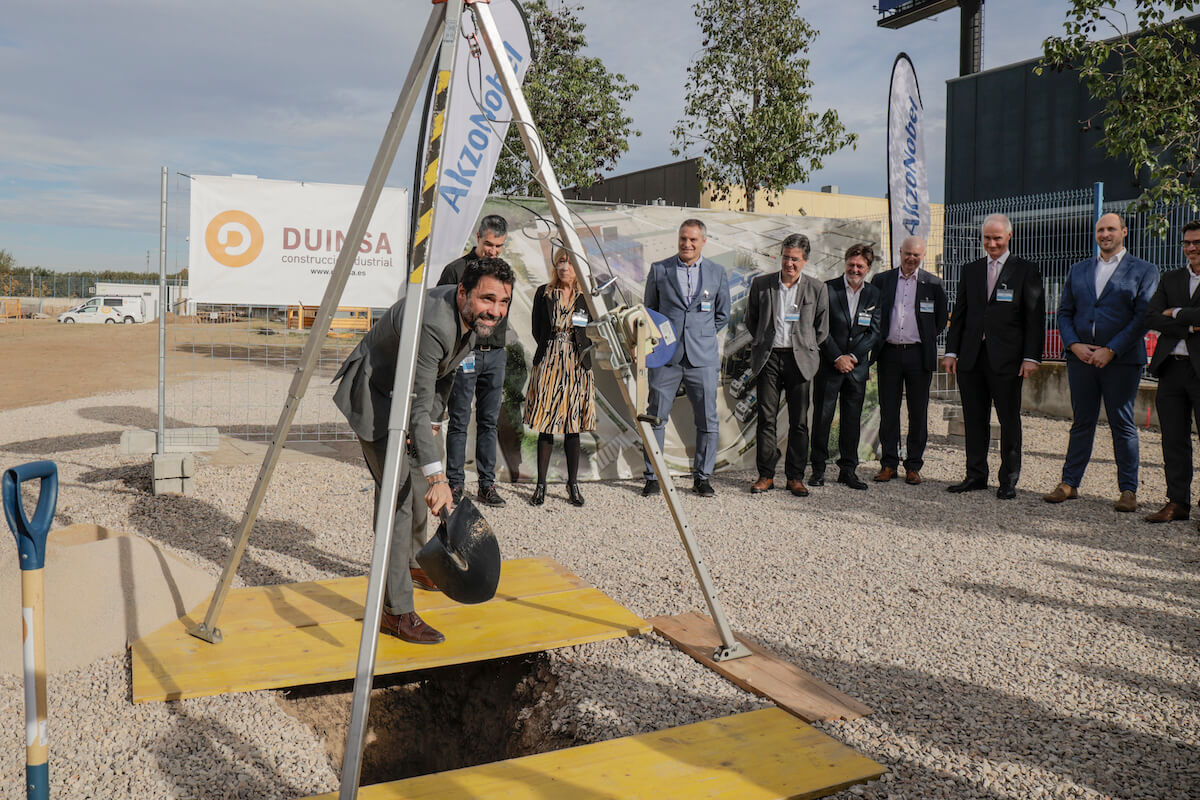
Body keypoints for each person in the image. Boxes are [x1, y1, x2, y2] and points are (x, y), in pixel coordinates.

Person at [333, 258, 515, 644]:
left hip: (410, 396)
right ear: (464, 292)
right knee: (397, 500)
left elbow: (443, 376)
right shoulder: (434, 321)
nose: (496, 311)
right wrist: (440, 477)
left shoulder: (474, 319)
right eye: (488, 299)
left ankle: (417, 564)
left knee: (417, 490)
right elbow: (414, 402)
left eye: (503, 302)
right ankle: (395, 611)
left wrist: (433, 424)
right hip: (376, 395)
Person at [1043, 213, 1158, 512]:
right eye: (1100, 230)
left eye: (1111, 229)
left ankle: (1128, 490)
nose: (1105, 234)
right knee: (1082, 421)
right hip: (1081, 359)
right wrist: (1074, 344)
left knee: (1122, 423)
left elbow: (1142, 318)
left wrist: (1112, 349)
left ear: (1124, 232)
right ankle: (1069, 483)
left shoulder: (1144, 271)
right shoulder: (1079, 269)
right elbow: (1065, 311)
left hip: (1121, 361)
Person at [943, 214, 1045, 499]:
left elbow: (1034, 318)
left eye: (997, 238)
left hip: (1008, 361)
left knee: (1009, 420)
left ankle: (1008, 479)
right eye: (987, 238)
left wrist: (1031, 357)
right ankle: (975, 475)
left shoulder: (1025, 270)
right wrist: (951, 351)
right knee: (975, 419)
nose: (991, 243)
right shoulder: (971, 270)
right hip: (971, 358)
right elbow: (960, 314)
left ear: (1009, 237)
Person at [642, 219, 731, 497]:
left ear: (703, 241)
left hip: (702, 358)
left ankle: (702, 477)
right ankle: (652, 476)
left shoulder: (717, 272)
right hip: (666, 358)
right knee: (656, 417)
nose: (687, 244)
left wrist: (700, 335)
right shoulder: (660, 270)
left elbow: (722, 314)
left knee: (707, 420)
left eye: (693, 240)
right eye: (683, 238)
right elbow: (650, 312)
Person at [744, 234, 829, 497]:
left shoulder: (816, 289)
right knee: (766, 420)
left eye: (794, 259)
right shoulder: (762, 285)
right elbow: (752, 320)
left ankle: (795, 477)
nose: (789, 263)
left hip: (799, 361)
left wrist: (806, 348)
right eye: (785, 257)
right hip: (769, 359)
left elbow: (822, 329)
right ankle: (766, 475)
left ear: (805, 260)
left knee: (799, 422)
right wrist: (762, 342)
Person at [437, 215, 510, 508]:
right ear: (478, 237)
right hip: (465, 355)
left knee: (489, 422)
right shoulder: (455, 271)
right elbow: (441, 311)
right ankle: (455, 484)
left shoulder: (506, 273)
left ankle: (486, 485)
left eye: (499, 246)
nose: (493, 251)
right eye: (489, 244)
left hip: (495, 356)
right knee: (459, 420)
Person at [870, 236, 948, 485]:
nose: (911, 258)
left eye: (916, 255)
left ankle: (913, 466)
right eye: (907, 254)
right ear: (900, 252)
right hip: (889, 354)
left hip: (918, 354)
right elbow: (875, 314)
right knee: (889, 412)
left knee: (918, 413)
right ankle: (888, 464)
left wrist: (921, 337)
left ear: (922, 255)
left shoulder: (933, 283)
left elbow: (940, 320)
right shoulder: (882, 280)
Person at [524, 247, 597, 507]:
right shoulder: (544, 292)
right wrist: (552, 349)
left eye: (569, 262)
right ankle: (540, 485)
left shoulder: (586, 296)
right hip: (550, 361)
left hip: (577, 364)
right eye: (560, 262)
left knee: (572, 426)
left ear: (579, 267)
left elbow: (594, 328)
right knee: (546, 425)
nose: (564, 266)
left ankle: (572, 484)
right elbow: (536, 329)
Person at [1142, 219, 1200, 528]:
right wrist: (1192, 322)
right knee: (1174, 440)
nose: (1191, 248)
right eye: (1187, 243)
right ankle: (1178, 502)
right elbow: (1151, 316)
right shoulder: (1171, 278)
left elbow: (1165, 316)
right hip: (1171, 369)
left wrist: (1176, 313)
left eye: (1197, 243)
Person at [810, 243, 881, 490]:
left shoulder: (874, 294)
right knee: (822, 418)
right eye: (851, 264)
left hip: (856, 369)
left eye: (860, 266)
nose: (855, 269)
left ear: (868, 268)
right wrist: (836, 357)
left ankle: (848, 470)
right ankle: (818, 469)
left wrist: (851, 356)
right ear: (845, 262)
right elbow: (820, 328)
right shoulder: (827, 289)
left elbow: (874, 332)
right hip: (829, 367)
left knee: (852, 421)